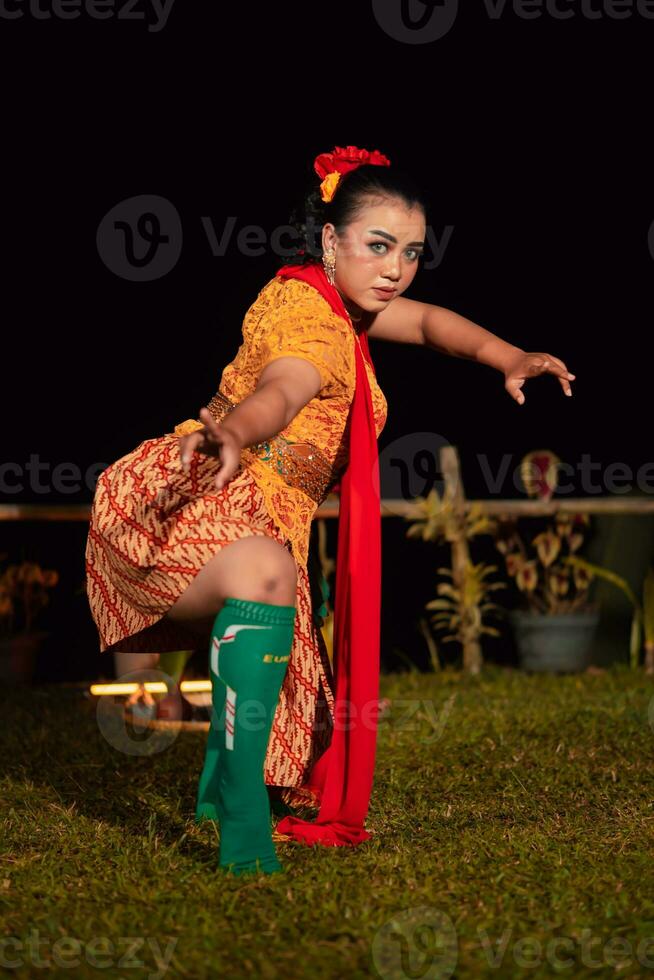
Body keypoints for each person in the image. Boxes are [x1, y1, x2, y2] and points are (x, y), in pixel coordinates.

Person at [85, 144, 576, 876]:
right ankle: (242, 805)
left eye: (410, 252)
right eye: (378, 247)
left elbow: (434, 320)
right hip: (200, 493)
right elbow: (284, 387)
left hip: (266, 520)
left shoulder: (350, 313)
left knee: (275, 595)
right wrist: (238, 433)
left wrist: (506, 356)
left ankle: (224, 783)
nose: (396, 268)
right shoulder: (307, 316)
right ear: (328, 242)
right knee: (266, 570)